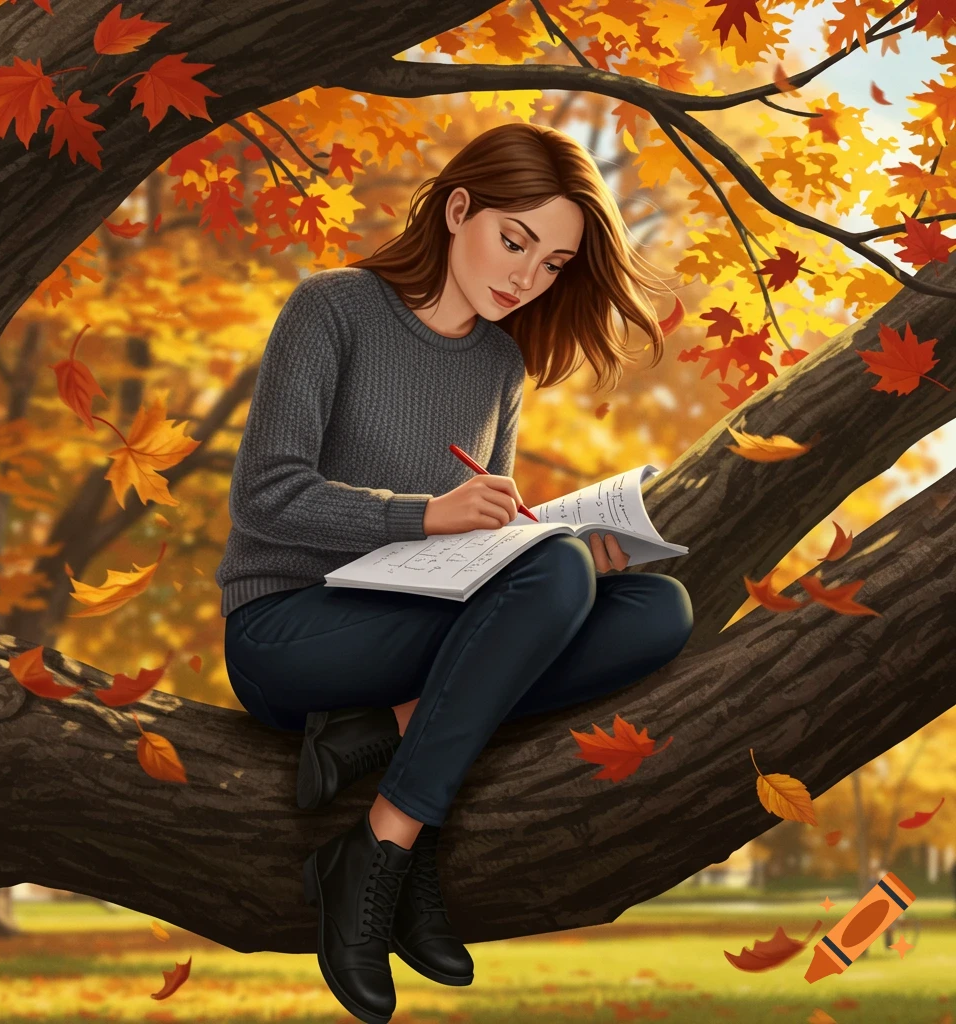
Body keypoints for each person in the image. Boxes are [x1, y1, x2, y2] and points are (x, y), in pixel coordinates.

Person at [216, 121, 694, 1024]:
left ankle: (378, 741)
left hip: (412, 633)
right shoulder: (332, 308)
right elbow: (265, 497)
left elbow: (474, 543)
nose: (526, 277)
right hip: (291, 633)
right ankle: (392, 848)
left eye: (552, 264)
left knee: (655, 608)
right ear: (458, 208)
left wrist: (528, 543)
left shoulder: (500, 364)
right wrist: (425, 515)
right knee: (553, 582)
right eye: (516, 242)